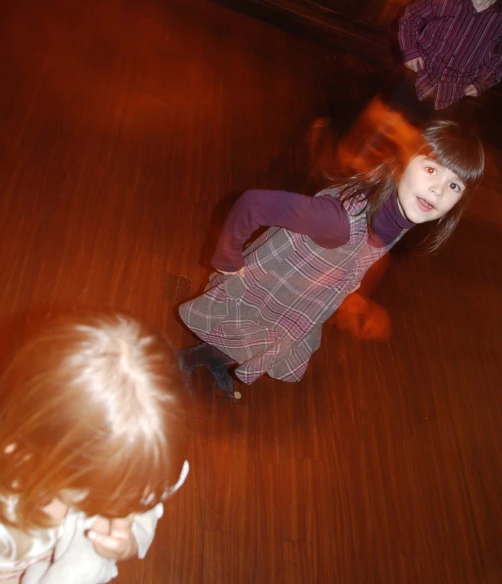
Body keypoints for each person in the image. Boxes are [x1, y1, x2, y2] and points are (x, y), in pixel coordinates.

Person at [178, 119, 484, 394]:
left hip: (306, 295)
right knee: (244, 327)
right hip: (274, 285)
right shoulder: (336, 220)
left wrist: (351, 281)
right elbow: (252, 203)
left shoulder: (401, 215)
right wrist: (227, 258)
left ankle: (210, 356)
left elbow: (369, 248)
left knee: (257, 338)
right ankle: (188, 359)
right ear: (402, 164)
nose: (438, 190)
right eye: (431, 170)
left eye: (454, 185)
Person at [0, 314, 188, 584]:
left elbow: (142, 515)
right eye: (110, 496)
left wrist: (126, 545)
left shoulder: (84, 463)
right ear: (39, 452)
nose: (123, 508)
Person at [395, 0, 502, 118]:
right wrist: (410, 49)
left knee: (424, 142)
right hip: (415, 76)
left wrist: (484, 82)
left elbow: (500, 58)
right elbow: (411, 17)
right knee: (385, 124)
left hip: (452, 95)